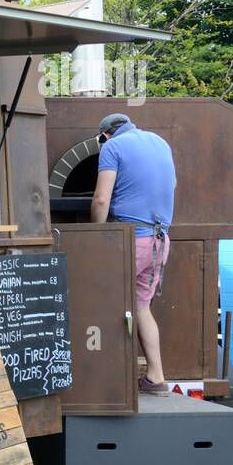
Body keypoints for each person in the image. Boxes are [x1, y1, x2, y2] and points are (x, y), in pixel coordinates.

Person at [90, 112, 177, 395]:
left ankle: (111, 380)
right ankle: (156, 377)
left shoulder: (112, 147)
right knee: (141, 307)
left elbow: (102, 198)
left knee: (107, 304)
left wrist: (95, 234)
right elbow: (170, 186)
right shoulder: (161, 143)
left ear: (105, 135)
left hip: (130, 240)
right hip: (159, 239)